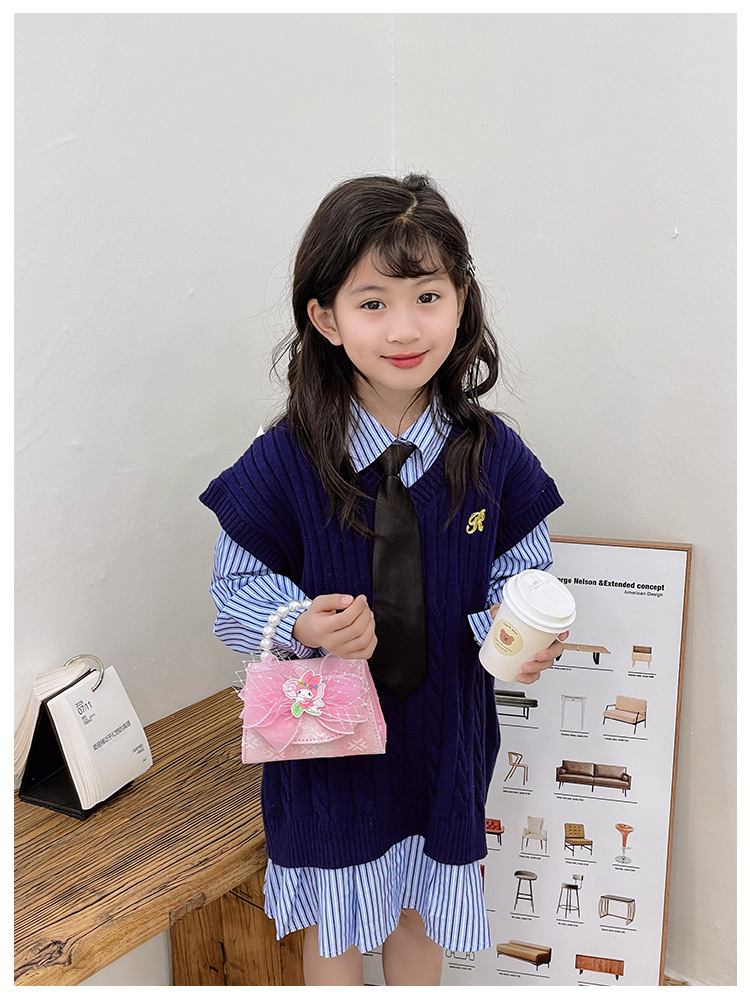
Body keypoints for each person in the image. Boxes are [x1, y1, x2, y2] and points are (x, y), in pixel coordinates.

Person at [199, 174, 567, 987]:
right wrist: (304, 624)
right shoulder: (285, 459)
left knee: (420, 914)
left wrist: (520, 629)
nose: (404, 328)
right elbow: (235, 590)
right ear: (326, 318)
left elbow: (523, 570)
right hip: (328, 754)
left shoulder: (493, 455)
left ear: (462, 301)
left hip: (445, 742)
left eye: (427, 296)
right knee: (334, 926)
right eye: (372, 303)